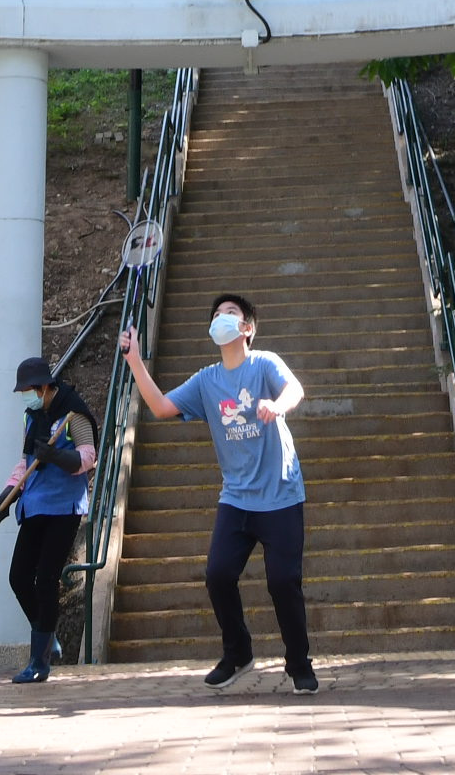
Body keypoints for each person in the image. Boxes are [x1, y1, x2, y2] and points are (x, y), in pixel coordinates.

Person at [118, 291, 316, 693]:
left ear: (247, 329)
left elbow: (294, 389)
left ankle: (299, 664)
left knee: (283, 582)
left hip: (280, 494)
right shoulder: (206, 380)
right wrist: (135, 360)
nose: (222, 318)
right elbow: (160, 407)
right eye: (217, 315)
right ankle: (238, 653)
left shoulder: (264, 363)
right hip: (236, 499)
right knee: (218, 575)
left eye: (231, 313)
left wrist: (278, 406)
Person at [0, 352, 99, 682]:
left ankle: (39, 663)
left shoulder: (73, 413)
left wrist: (55, 456)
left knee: (45, 580)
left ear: (43, 387)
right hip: (33, 504)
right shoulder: (31, 416)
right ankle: (46, 632)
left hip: (63, 507)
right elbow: (25, 463)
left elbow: (88, 458)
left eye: (28, 390)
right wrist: (5, 498)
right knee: (18, 577)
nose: (25, 397)